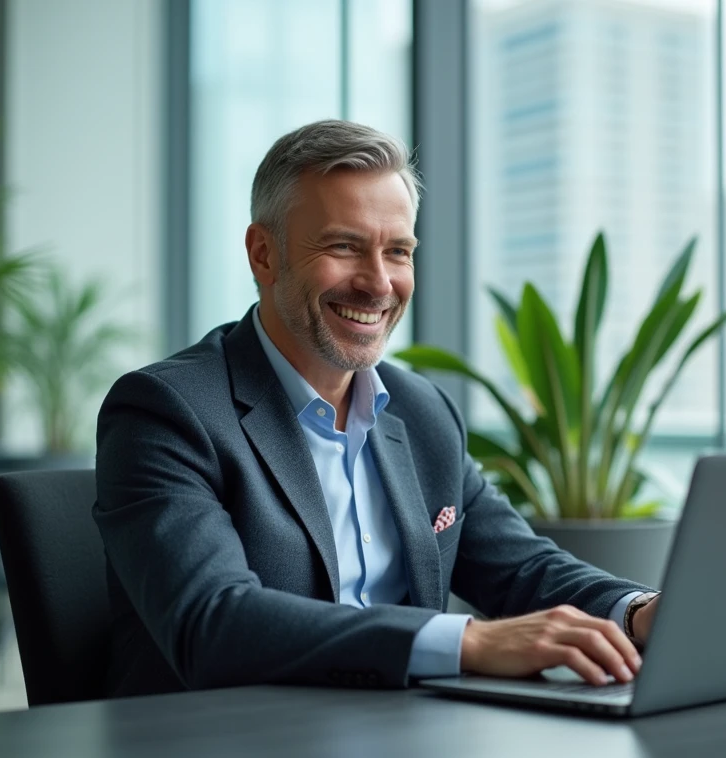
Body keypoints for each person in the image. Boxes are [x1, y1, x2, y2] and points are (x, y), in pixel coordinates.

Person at [93, 120, 660, 698]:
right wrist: (467, 642)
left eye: (399, 252)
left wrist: (638, 610)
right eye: (344, 246)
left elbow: (520, 568)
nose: (379, 283)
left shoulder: (423, 412)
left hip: (405, 747)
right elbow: (213, 623)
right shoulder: (167, 411)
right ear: (264, 254)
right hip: (227, 757)